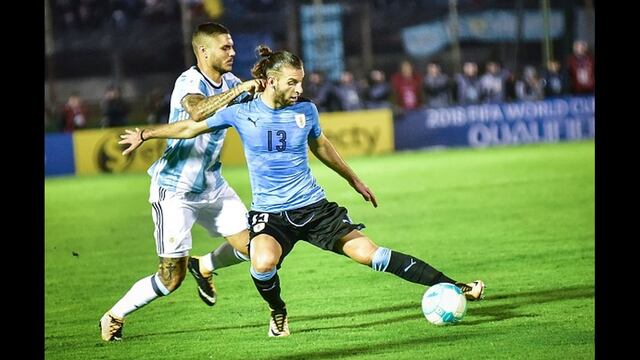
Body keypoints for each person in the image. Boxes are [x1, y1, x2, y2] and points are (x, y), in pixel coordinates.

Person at [119, 45, 485, 338]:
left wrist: (353, 179)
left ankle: (457, 286)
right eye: (293, 82)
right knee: (261, 263)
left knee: (371, 255)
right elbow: (187, 128)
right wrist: (145, 134)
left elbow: (322, 146)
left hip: (314, 208)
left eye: (302, 82)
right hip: (271, 215)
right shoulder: (242, 111)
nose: (300, 89)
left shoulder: (306, 111)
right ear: (273, 80)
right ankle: (278, 313)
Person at [99, 22, 264, 342]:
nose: (233, 52)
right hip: (175, 191)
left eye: (232, 46)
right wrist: (241, 90)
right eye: (225, 47)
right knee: (169, 279)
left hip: (213, 185)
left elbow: (252, 107)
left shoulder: (230, 80)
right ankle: (114, 314)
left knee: (257, 248)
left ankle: (204, 265)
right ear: (203, 51)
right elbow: (198, 111)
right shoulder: (189, 81)